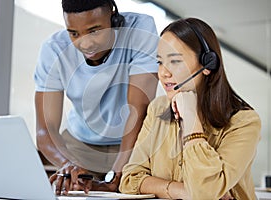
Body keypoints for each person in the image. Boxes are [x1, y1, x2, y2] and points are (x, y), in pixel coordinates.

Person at [119, 17, 261, 199]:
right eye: (160, 62)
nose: (163, 73)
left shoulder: (244, 122)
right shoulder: (158, 108)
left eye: (175, 61)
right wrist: (181, 190)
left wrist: (192, 122)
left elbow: (205, 192)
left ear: (207, 64)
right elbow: (129, 179)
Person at [34, 0, 159, 195]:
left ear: (113, 16)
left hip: (135, 141)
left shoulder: (139, 29)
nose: (85, 43)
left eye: (94, 31)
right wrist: (68, 165)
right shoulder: (53, 49)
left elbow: (138, 109)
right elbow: (45, 132)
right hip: (80, 144)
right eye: (74, 33)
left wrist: (118, 171)